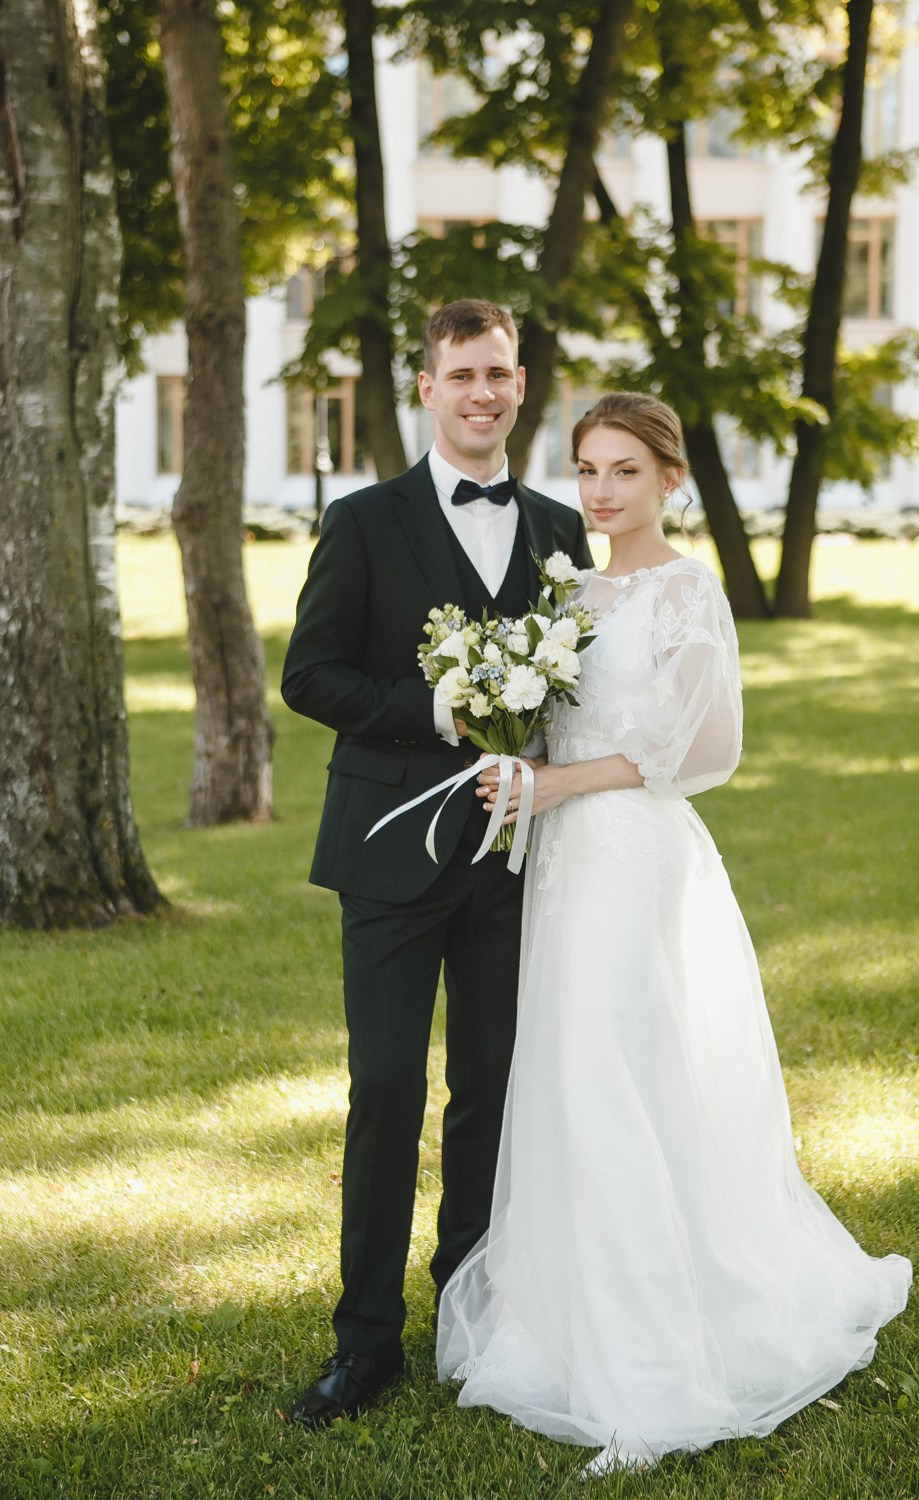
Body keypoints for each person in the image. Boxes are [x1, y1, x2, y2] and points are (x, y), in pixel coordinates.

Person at [437, 392, 912, 1477]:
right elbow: (553, 714)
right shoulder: (569, 588)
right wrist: (509, 744)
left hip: (632, 853)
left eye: (623, 473)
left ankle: (649, 1372)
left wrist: (556, 781)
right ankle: (568, 1324)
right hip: (562, 862)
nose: (601, 492)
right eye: (587, 470)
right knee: (570, 1073)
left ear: (670, 480)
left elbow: (701, 746)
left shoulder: (687, 590)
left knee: (609, 1071)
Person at [280, 300, 592, 1427]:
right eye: (461, 373)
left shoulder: (561, 524)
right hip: (388, 856)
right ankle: (365, 1342)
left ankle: (472, 1314)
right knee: (385, 1091)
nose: (482, 392)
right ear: (425, 388)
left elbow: (574, 686)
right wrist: (441, 709)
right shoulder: (362, 521)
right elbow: (309, 678)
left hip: (515, 861)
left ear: (520, 386)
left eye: (499, 373)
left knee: (493, 1094)